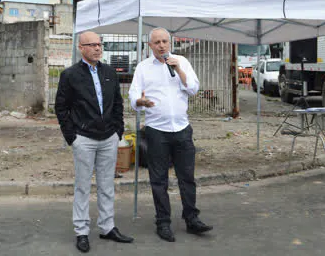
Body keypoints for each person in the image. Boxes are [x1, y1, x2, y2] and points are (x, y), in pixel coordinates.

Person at [129, 28, 213, 242]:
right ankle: (163, 222)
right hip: (157, 131)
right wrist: (141, 101)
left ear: (170, 42)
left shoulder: (181, 61)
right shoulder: (143, 68)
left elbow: (193, 89)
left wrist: (180, 71)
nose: (161, 45)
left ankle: (192, 219)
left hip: (182, 130)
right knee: (159, 180)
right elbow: (133, 95)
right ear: (150, 46)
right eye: (157, 42)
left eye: (165, 41)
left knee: (187, 177)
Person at [55, 31, 133, 253]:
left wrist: (118, 130)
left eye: (100, 44)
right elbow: (61, 108)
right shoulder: (70, 75)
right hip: (84, 139)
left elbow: (117, 103)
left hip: (109, 138)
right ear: (81, 48)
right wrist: (72, 137)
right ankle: (81, 231)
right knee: (82, 186)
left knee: (107, 185)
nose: (98, 48)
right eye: (92, 45)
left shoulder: (109, 72)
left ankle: (107, 227)